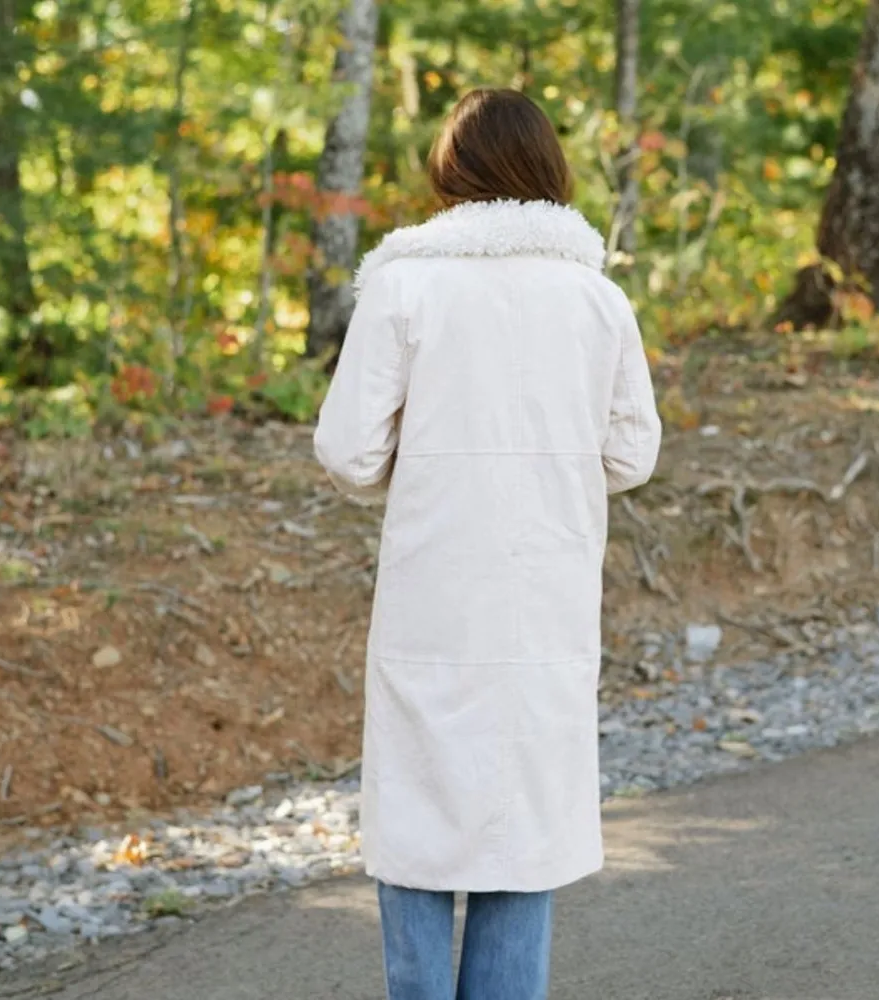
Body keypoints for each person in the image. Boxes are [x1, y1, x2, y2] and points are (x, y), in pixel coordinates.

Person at [313, 87, 661, 1000]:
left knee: (418, 816)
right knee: (524, 821)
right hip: (546, 589)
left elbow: (349, 451)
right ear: (548, 170)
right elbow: (632, 455)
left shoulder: (404, 286)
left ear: (451, 172)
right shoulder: (597, 299)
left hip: (433, 589)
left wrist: (423, 467)